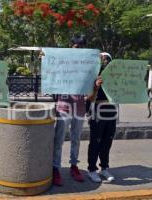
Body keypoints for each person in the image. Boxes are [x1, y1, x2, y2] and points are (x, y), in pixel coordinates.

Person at [52, 34, 101, 186]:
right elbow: (51, 79)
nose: (79, 49)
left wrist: (96, 87)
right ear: (71, 46)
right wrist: (46, 61)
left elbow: (91, 98)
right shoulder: (62, 64)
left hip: (79, 109)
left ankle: (74, 166)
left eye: (81, 46)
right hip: (63, 108)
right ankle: (55, 169)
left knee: (76, 140)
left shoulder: (89, 68)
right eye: (76, 46)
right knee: (59, 140)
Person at [86, 52, 117, 183]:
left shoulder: (115, 77)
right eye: (102, 60)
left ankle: (104, 168)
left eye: (107, 60)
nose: (105, 62)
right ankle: (92, 170)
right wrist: (96, 87)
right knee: (95, 142)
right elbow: (89, 98)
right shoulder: (92, 78)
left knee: (107, 142)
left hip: (112, 111)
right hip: (97, 112)